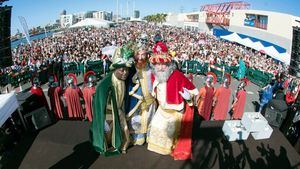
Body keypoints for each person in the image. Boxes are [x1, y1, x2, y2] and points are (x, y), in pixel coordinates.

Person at [147, 42, 198, 160]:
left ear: (169, 63)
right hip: (161, 110)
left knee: (168, 134)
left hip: (174, 113)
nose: (160, 67)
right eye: (157, 64)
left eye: (163, 64)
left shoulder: (178, 76)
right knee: (155, 127)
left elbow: (193, 91)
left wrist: (188, 97)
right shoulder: (154, 76)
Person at [90, 46, 134, 156]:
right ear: (114, 69)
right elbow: (99, 103)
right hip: (108, 113)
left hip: (119, 110)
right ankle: (109, 145)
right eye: (122, 70)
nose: (125, 73)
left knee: (123, 128)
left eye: (127, 70)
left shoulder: (123, 79)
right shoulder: (105, 84)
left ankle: (124, 143)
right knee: (109, 131)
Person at [126, 46, 156, 145]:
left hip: (149, 98)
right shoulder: (130, 68)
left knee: (148, 117)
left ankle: (147, 134)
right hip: (135, 99)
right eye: (138, 54)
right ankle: (137, 136)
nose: (140, 57)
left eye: (142, 54)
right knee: (135, 118)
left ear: (147, 55)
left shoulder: (151, 67)